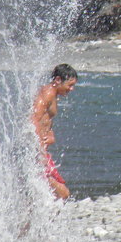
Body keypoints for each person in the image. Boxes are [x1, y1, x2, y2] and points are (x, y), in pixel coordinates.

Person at [31, 63, 77, 200]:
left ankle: (33, 221)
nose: (72, 89)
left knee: (31, 198)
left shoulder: (51, 94)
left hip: (35, 151)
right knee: (63, 193)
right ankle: (46, 222)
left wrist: (50, 134)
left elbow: (44, 120)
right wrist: (40, 153)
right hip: (34, 152)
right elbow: (33, 120)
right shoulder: (48, 93)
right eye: (70, 85)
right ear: (58, 80)